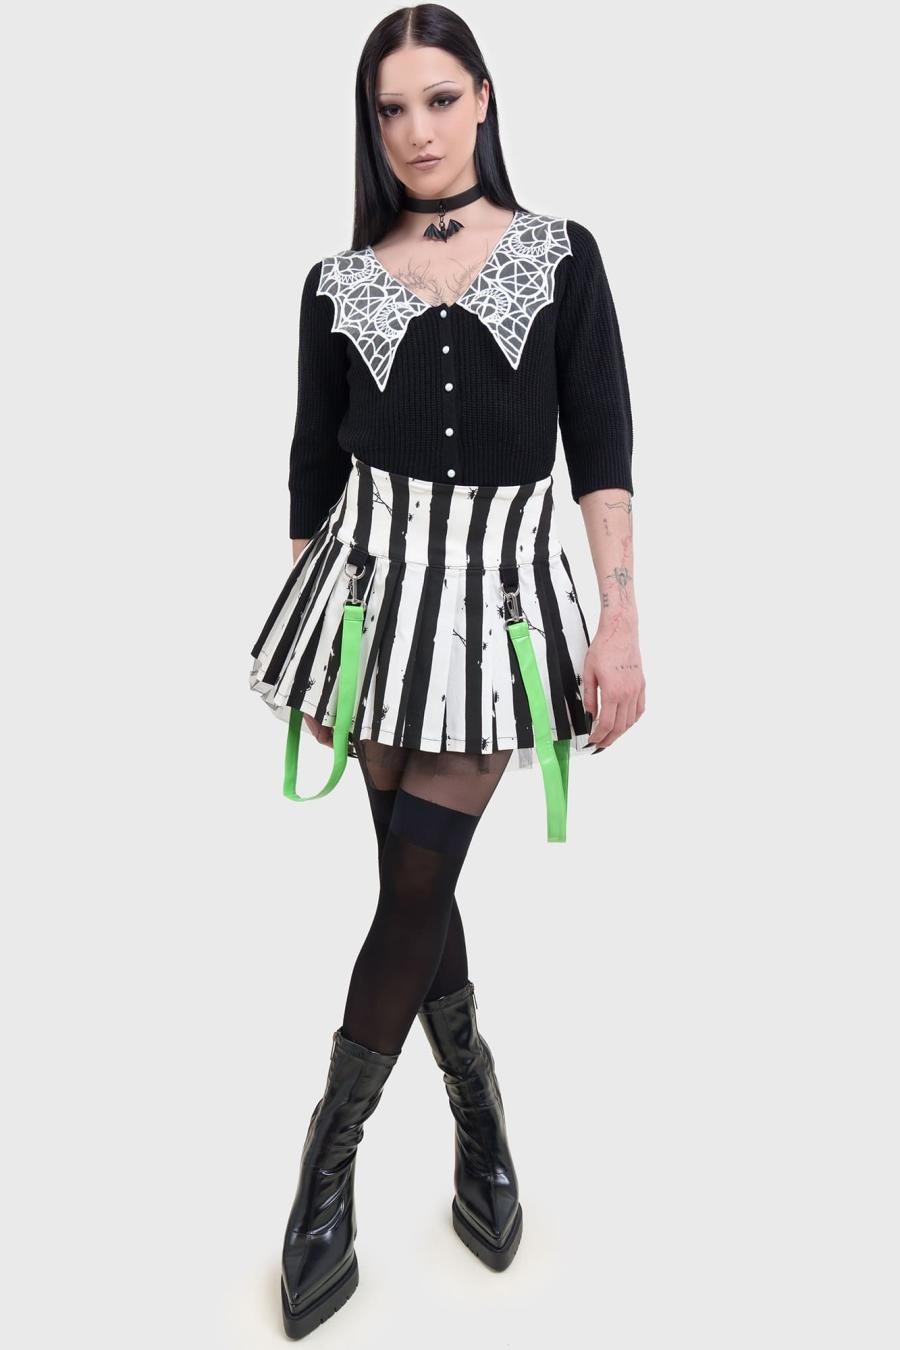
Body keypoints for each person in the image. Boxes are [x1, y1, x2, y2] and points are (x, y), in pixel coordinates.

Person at [248, 5, 645, 1339]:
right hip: (368, 605)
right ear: (372, 124)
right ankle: (478, 1107)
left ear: (482, 97)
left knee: (419, 878)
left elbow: (602, 446)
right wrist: (316, 641)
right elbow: (313, 466)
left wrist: (620, 620)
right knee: (412, 883)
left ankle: (328, 1161)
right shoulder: (336, 279)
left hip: (500, 606)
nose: (415, 129)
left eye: (436, 98)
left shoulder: (561, 255)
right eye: (390, 108)